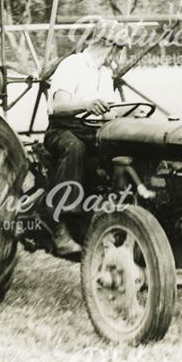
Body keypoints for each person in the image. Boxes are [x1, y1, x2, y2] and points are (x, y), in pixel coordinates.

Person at [43, 19, 131, 256]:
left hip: (93, 130)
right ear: (106, 44)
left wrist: (128, 111)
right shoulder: (72, 65)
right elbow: (58, 107)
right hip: (64, 130)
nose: (121, 56)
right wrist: (88, 105)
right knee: (76, 150)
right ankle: (59, 226)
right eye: (120, 49)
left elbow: (109, 109)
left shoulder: (105, 72)